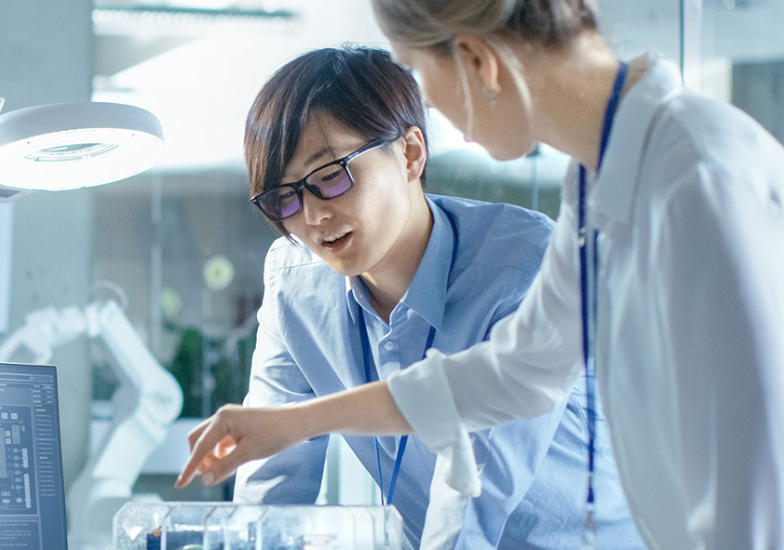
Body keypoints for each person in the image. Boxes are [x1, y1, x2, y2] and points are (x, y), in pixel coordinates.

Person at [177, 0, 784, 548]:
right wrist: (293, 422)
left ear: (476, 62)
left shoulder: (701, 179)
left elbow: (755, 503)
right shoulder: (602, 179)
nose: (426, 107)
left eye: (418, 73)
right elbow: (511, 375)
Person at [234, 46, 642, 548]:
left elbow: (472, 495)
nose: (312, 216)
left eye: (331, 175)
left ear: (410, 153)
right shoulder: (295, 282)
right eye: (284, 197)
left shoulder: (526, 266)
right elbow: (272, 483)